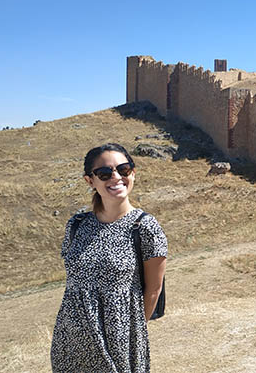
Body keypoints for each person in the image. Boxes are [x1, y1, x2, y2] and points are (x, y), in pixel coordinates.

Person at [51, 143, 167, 372]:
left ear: (133, 173)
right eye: (104, 173)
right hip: (70, 340)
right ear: (90, 181)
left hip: (119, 342)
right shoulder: (77, 224)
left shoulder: (145, 227)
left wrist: (130, 335)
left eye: (123, 170)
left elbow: (154, 289)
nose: (115, 177)